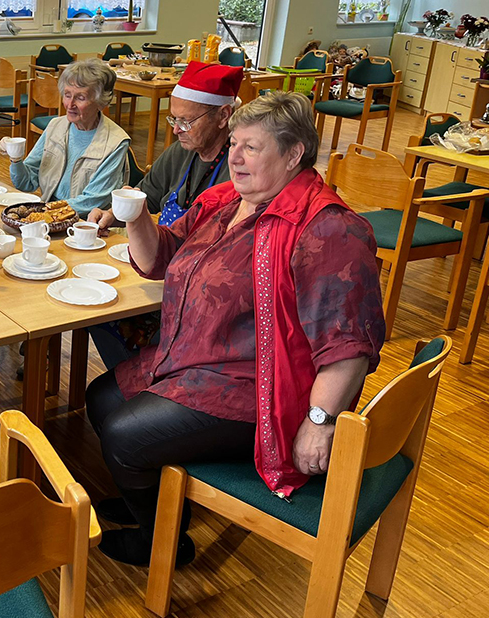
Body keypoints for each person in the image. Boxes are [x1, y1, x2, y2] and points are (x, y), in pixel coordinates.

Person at [83, 92, 385, 567]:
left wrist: (320, 423)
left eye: (252, 147)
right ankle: (160, 507)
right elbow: (161, 257)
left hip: (257, 388)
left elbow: (347, 345)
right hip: (196, 362)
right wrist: (136, 215)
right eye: (235, 144)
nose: (235, 157)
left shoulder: (327, 229)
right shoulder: (227, 201)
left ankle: (161, 542)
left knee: (124, 434)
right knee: (102, 398)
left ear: (293, 154)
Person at [85, 61, 243, 368]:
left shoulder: (238, 170)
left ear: (224, 116)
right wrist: (111, 215)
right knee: (93, 310)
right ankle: (137, 383)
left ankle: (151, 380)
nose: (174, 130)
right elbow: (148, 196)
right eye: (173, 118)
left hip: (198, 296)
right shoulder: (180, 152)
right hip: (159, 272)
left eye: (186, 121)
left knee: (107, 316)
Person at [0, 59, 129, 216]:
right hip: (50, 214)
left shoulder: (115, 142)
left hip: (86, 225)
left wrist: (41, 211)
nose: (70, 104)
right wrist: (15, 158)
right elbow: (26, 183)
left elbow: (91, 202)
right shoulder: (55, 126)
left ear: (101, 102)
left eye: (80, 98)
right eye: (67, 95)